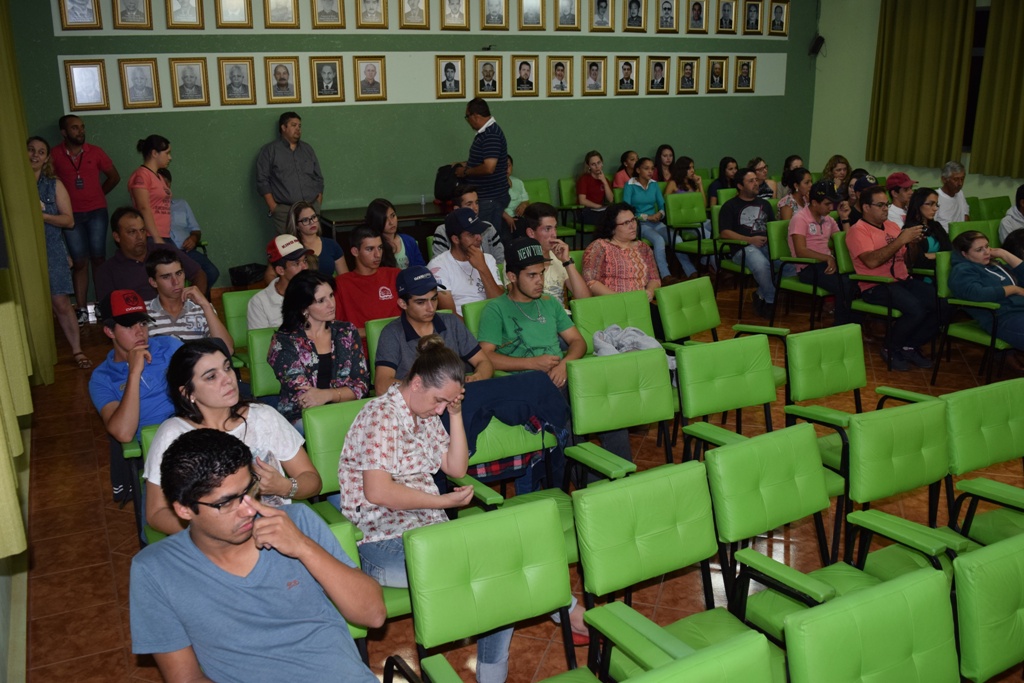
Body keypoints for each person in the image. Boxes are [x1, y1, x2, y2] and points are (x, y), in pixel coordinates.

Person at [130, 429, 383, 682]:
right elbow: (186, 678)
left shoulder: (296, 523)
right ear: (184, 510)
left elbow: (373, 614)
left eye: (249, 490)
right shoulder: (155, 570)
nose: (248, 510)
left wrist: (304, 547)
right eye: (226, 503)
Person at [339, 334, 512, 682]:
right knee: (482, 575)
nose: (439, 409)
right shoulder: (381, 416)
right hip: (380, 539)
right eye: (438, 400)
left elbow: (457, 468)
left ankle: (491, 676)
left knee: (498, 567)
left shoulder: (428, 413)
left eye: (445, 402)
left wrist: (456, 413)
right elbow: (378, 491)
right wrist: (441, 501)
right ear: (416, 383)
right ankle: (562, 613)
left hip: (430, 532)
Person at [479, 237, 634, 479]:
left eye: (541, 273)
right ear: (511, 276)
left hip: (561, 375)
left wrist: (564, 364)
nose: (539, 281)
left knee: (609, 411)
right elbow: (485, 357)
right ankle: (593, 487)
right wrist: (531, 363)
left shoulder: (549, 304)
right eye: (531, 275)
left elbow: (577, 342)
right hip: (527, 385)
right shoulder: (495, 309)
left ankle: (625, 478)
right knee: (569, 421)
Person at [144, 340, 321, 535]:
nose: (228, 379)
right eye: (211, 376)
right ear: (188, 392)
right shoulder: (174, 434)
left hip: (277, 534)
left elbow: (312, 481)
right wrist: (211, 534)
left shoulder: (264, 416)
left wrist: (285, 486)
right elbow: (156, 513)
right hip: (215, 546)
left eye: (227, 368)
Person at [847, 185, 940, 370]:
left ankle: (909, 345)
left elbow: (907, 260)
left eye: (887, 204)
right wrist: (900, 241)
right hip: (875, 285)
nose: (885, 209)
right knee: (916, 309)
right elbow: (871, 262)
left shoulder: (892, 226)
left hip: (902, 280)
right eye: (880, 205)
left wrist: (913, 245)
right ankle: (891, 347)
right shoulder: (858, 231)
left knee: (943, 304)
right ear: (866, 207)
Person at [269, 271, 369, 429]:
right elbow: (306, 399)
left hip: (347, 410)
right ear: (304, 307)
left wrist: (328, 395)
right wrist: (341, 394)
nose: (331, 304)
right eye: (321, 300)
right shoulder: (284, 341)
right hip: (302, 417)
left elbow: (361, 385)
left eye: (331, 295)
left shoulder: (346, 331)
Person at [374, 266, 494, 395]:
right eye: (421, 302)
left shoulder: (451, 322)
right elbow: (382, 384)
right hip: (416, 404)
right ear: (403, 304)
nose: (431, 308)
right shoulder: (392, 333)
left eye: (434, 299)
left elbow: (484, 362)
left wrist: (477, 377)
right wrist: (428, 390)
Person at [52, 115, 121, 325]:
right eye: (74, 128)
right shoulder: (54, 154)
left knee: (98, 258)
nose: (80, 131)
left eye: (82, 127)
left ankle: (101, 304)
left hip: (96, 212)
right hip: (70, 216)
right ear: (64, 132)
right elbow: (49, 181)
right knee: (79, 261)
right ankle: (81, 309)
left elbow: (114, 177)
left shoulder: (95, 151)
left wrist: (98, 194)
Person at [89, 289, 182, 444]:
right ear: (109, 331)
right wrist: (134, 373)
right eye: (129, 326)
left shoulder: (170, 347)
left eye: (143, 323)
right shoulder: (102, 379)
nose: (140, 332)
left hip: (193, 431)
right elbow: (123, 433)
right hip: (157, 448)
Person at [27, 136, 89, 369]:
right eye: (31, 150)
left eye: (41, 152)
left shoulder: (54, 184)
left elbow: (69, 220)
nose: (35, 155)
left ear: (46, 159)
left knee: (61, 303)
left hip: (51, 249)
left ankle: (77, 350)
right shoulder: (13, 185)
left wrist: (41, 216)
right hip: (21, 253)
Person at [95, 207, 206, 302]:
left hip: (176, 315)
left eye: (142, 230)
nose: (140, 236)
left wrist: (192, 303)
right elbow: (108, 313)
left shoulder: (164, 251)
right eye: (132, 232)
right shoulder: (107, 271)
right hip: (138, 322)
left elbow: (198, 274)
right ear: (117, 237)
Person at [787, 180, 855, 324]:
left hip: (825, 264)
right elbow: (801, 251)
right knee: (844, 286)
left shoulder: (828, 219)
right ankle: (842, 327)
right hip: (807, 267)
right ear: (814, 202)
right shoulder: (800, 219)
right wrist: (827, 258)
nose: (831, 207)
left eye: (832, 204)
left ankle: (852, 324)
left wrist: (844, 218)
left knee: (855, 283)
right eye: (827, 204)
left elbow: (845, 242)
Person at [719, 167, 779, 318]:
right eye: (751, 181)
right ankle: (771, 301)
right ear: (740, 186)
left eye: (756, 180)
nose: (756, 183)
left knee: (788, 266)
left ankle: (760, 294)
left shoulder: (765, 205)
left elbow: (773, 227)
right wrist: (750, 240)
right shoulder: (730, 206)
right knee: (762, 265)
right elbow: (724, 233)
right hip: (742, 248)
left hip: (766, 245)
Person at [144, 249, 233, 351]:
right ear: (153, 282)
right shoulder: (143, 313)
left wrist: (206, 305)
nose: (175, 281)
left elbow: (228, 349)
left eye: (179, 273)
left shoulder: (201, 308)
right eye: (166, 277)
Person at [949, 231, 1024, 352]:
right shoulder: (962, 270)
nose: (987, 252)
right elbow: (977, 293)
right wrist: (1014, 289)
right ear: (964, 254)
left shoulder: (994, 265)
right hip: (1002, 318)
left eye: (987, 246)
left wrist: (1004, 254)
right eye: (979, 250)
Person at [624, 157, 696, 280]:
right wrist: (647, 216)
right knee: (658, 240)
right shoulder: (630, 185)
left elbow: (663, 204)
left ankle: (690, 271)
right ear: (638, 170)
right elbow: (626, 210)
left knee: (677, 238)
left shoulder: (654, 184)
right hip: (640, 223)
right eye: (646, 168)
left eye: (652, 168)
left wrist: (660, 214)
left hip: (656, 221)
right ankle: (665, 274)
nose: (650, 171)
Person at [154, 168, 220, 294]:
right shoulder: (150, 210)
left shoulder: (182, 204)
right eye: (160, 184)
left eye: (166, 183)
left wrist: (194, 239)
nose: (164, 187)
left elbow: (196, 230)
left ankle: (194, 303)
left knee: (212, 272)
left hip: (187, 251)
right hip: (166, 255)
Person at [428, 208, 504, 316]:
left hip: (493, 321)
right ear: (455, 239)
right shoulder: (438, 266)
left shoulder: (488, 259)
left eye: (479, 232)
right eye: (471, 235)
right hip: (463, 328)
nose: (479, 238)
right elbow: (451, 316)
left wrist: (483, 268)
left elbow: (501, 304)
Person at [256, 112, 324, 233]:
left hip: (311, 209)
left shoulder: (307, 149)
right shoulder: (270, 151)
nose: (298, 129)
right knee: (289, 249)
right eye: (293, 125)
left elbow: (318, 178)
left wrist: (318, 202)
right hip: (285, 211)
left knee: (312, 247)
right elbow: (262, 181)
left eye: (299, 126)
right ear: (283, 127)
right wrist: (273, 207)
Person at [454, 98, 509, 239]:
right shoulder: (485, 133)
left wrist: (465, 172)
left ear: (475, 116)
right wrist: (465, 164)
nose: (468, 121)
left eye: (467, 117)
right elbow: (483, 160)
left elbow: (489, 167)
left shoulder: (491, 134)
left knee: (487, 239)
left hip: (490, 198)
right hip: (486, 197)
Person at [582, 203, 661, 301]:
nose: (632, 226)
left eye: (633, 220)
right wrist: (621, 299)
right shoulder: (600, 246)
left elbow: (655, 279)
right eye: (626, 223)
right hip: (612, 303)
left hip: (640, 303)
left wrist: (650, 291)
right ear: (612, 228)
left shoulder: (643, 248)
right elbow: (590, 281)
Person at [334, 226, 401, 334]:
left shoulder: (395, 274)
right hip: (362, 347)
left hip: (400, 344)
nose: (377, 254)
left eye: (380, 248)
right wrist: (372, 332)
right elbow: (337, 329)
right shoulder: (341, 284)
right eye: (370, 249)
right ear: (355, 251)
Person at [524, 202, 590, 304]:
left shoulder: (561, 259)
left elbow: (584, 299)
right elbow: (519, 302)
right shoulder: (517, 259)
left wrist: (567, 261)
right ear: (531, 233)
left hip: (561, 317)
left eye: (555, 228)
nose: (554, 234)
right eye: (547, 229)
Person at [247, 234, 311, 330]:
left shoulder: (315, 292)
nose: (305, 267)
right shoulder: (259, 303)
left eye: (305, 261)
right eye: (297, 263)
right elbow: (261, 342)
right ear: (280, 270)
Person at [430, 185, 505, 264]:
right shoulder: (443, 231)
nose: (475, 208)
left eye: (476, 203)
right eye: (469, 204)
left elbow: (500, 261)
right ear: (457, 209)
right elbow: (439, 264)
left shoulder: (488, 228)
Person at [127, 134, 172, 243]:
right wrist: (156, 237)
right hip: (151, 236)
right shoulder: (142, 175)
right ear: (155, 153)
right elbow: (143, 207)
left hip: (164, 234)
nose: (170, 157)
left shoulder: (159, 177)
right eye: (167, 153)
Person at [284, 201, 346, 276]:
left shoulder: (331, 244)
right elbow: (270, 274)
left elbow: (345, 278)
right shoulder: (289, 247)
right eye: (305, 220)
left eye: (313, 217)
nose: (312, 222)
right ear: (296, 225)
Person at [367, 198, 426, 270]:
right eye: (385, 219)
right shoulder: (375, 247)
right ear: (376, 222)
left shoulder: (409, 241)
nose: (391, 222)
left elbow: (421, 268)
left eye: (393, 216)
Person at [902, 187, 952, 271]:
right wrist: (940, 256)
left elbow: (950, 250)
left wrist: (932, 255)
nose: (935, 208)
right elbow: (918, 261)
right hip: (924, 275)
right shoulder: (910, 230)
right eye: (930, 204)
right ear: (918, 204)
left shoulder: (936, 226)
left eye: (936, 204)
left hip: (942, 269)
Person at [577, 150, 613, 226]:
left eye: (598, 163)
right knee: (607, 219)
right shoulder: (584, 179)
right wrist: (598, 206)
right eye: (593, 164)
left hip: (601, 211)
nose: (597, 167)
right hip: (586, 211)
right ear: (589, 166)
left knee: (615, 215)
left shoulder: (605, 179)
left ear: (602, 163)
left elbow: (610, 199)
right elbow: (582, 200)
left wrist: (604, 182)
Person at [935, 161, 969, 231]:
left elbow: (966, 215)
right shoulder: (935, 197)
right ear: (944, 179)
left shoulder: (960, 194)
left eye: (962, 179)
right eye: (956, 179)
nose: (960, 183)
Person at [502, 154, 530, 236]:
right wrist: (507, 217)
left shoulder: (518, 182)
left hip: (519, 218)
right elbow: (492, 205)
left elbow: (525, 200)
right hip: (503, 219)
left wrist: (523, 205)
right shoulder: (493, 185)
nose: (506, 169)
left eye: (508, 165)